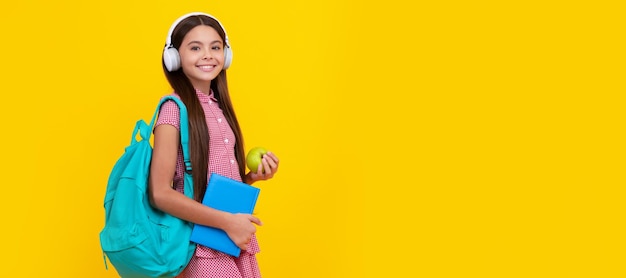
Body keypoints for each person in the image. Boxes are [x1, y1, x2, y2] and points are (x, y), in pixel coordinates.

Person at [148, 12, 279, 278]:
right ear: (174, 58)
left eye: (215, 47)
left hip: (228, 239)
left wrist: (250, 178)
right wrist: (228, 222)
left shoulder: (219, 108)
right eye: (195, 47)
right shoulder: (174, 109)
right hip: (200, 246)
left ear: (226, 55)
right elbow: (160, 193)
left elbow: (207, 184)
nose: (207, 54)